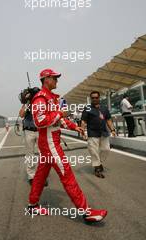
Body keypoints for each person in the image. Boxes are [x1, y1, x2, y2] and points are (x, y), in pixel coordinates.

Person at [27, 69, 107, 223]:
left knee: (40, 175)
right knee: (67, 175)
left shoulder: (52, 98)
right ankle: (86, 212)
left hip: (50, 144)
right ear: (46, 79)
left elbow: (60, 120)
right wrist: (60, 114)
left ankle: (32, 205)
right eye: (55, 78)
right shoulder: (40, 98)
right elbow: (40, 121)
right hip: (50, 144)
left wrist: (73, 126)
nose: (57, 80)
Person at [81, 91, 116, 178]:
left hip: (104, 132)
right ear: (90, 98)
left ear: (99, 98)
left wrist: (112, 129)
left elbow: (108, 120)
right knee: (94, 151)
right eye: (93, 98)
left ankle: (99, 163)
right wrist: (82, 132)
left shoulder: (104, 108)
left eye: (96, 97)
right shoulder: (87, 108)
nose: (94, 99)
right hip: (92, 133)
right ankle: (97, 168)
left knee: (106, 149)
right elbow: (84, 121)